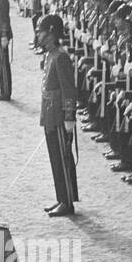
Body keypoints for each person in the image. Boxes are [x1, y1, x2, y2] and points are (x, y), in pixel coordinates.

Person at [37, 13, 79, 217]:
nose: (39, 34)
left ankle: (68, 201)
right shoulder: (50, 54)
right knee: (55, 158)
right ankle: (61, 197)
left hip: (60, 115)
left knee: (62, 158)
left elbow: (68, 89)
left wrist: (70, 115)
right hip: (49, 113)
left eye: (41, 30)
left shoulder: (61, 56)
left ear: (51, 32)